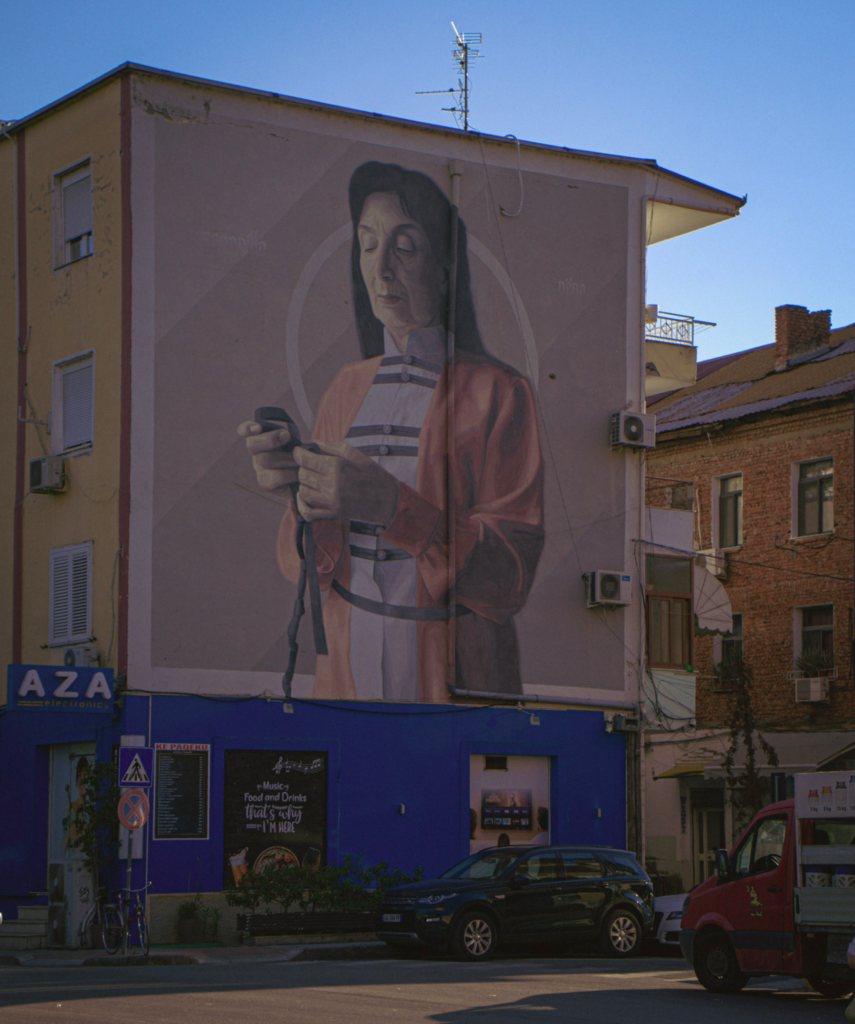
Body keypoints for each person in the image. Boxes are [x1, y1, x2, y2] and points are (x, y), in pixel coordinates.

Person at [240, 161, 544, 701]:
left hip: (454, 681)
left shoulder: (500, 392)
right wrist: (299, 490)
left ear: (446, 268)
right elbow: (313, 565)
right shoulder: (344, 388)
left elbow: (509, 574)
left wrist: (393, 508)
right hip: (345, 674)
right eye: (367, 245)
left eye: (404, 247)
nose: (380, 270)